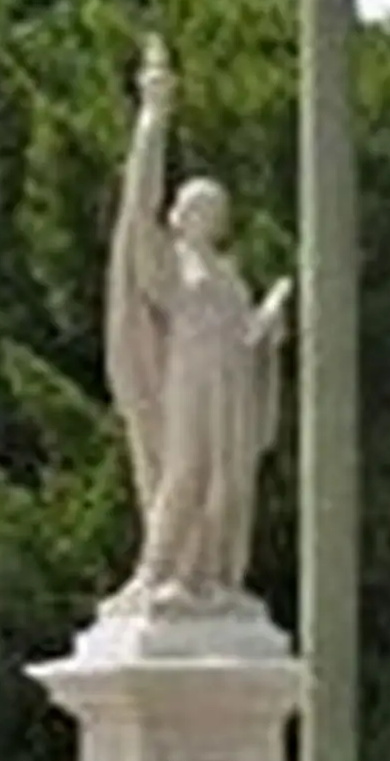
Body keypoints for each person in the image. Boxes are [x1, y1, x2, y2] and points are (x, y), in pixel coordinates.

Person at [104, 36, 292, 605]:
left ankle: (209, 579)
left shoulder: (230, 275)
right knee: (185, 472)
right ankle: (155, 573)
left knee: (229, 484)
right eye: (198, 207)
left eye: (218, 210)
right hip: (187, 374)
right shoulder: (168, 263)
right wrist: (153, 119)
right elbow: (136, 206)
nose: (209, 217)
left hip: (231, 378)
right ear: (179, 215)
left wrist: (269, 320)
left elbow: (252, 337)